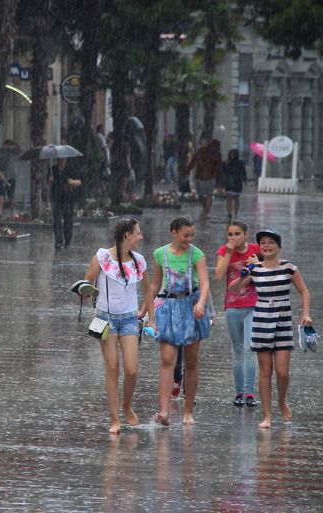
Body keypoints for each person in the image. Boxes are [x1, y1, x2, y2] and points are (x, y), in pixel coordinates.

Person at [228, 228, 311, 429]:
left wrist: (305, 314)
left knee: (282, 372)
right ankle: (266, 416)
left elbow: (303, 291)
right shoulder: (255, 269)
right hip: (261, 322)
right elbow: (233, 288)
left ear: (278, 246)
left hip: (282, 322)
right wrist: (245, 272)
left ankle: (282, 402)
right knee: (265, 371)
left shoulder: (289, 268)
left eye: (271, 242)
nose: (267, 246)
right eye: (263, 243)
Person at [78, 218, 156, 434]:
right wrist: (84, 292)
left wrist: (151, 319)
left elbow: (148, 289)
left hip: (130, 319)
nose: (141, 237)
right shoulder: (102, 257)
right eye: (137, 233)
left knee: (131, 369)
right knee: (112, 368)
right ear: (127, 235)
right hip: (106, 319)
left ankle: (126, 405)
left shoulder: (139, 261)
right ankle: (115, 419)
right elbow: (85, 283)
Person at [150, 216, 211, 425]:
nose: (190, 239)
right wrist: (145, 311)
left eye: (192, 235)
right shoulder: (160, 254)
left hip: (192, 306)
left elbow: (205, 283)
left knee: (191, 361)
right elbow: (155, 284)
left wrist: (201, 303)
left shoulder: (197, 254)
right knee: (167, 360)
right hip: (169, 307)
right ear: (173, 232)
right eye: (186, 235)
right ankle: (164, 411)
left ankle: (188, 411)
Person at [215, 221, 260, 408]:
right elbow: (219, 275)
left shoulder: (256, 249)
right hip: (232, 306)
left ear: (245, 234)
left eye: (237, 234)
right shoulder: (223, 250)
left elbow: (268, 269)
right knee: (237, 350)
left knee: (250, 348)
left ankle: (250, 392)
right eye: (230, 234)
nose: (234, 238)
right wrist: (227, 253)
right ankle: (239, 392)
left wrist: (257, 264)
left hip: (253, 305)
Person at [48, 158, 82, 250]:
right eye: (60, 159)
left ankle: (67, 238)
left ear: (66, 159)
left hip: (68, 198)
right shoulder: (53, 169)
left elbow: (79, 182)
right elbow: (49, 183)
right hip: (57, 198)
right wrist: (50, 180)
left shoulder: (71, 169)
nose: (61, 160)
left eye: (63, 159)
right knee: (57, 220)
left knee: (68, 220)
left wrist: (72, 182)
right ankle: (58, 241)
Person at [186, 137, 221, 218]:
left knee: (209, 194)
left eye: (205, 142)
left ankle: (207, 211)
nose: (204, 144)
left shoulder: (212, 153)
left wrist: (218, 175)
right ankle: (205, 208)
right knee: (201, 195)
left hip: (210, 176)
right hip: (200, 177)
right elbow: (193, 162)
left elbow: (217, 164)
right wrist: (187, 170)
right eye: (202, 142)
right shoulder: (198, 152)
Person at [0, 139, 19, 216]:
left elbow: (19, 149)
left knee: (7, 194)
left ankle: (7, 211)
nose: (7, 146)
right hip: (4, 176)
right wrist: (15, 143)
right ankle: (4, 211)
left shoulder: (11, 151)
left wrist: (15, 143)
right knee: (4, 194)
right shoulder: (2, 152)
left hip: (7, 176)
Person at [222, 149, 248, 222]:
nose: (232, 155)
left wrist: (244, 179)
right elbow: (223, 171)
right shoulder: (226, 162)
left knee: (236, 198)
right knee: (229, 198)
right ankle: (229, 212)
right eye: (231, 154)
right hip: (229, 182)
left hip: (237, 182)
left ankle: (236, 213)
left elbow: (243, 171)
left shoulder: (240, 162)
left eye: (233, 154)